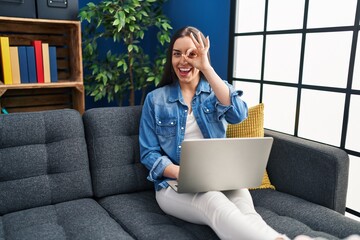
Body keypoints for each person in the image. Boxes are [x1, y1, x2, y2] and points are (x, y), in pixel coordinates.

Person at [139, 26, 289, 240]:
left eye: (192, 54)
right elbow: (149, 154)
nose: (183, 61)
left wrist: (207, 69)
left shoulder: (215, 91)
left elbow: (238, 114)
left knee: (248, 214)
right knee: (213, 202)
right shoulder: (155, 99)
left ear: (202, 56)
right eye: (177, 54)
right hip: (172, 186)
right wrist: (181, 172)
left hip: (223, 178)